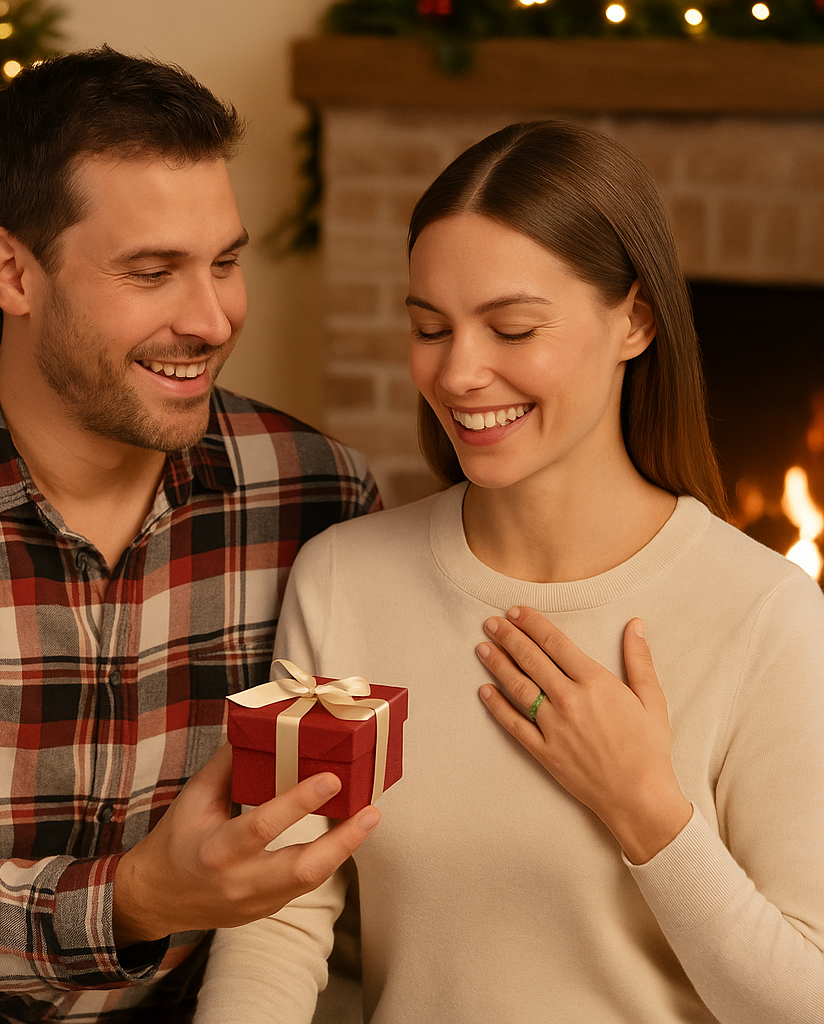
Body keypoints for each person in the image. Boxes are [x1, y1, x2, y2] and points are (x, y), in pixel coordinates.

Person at [194, 120, 824, 1023]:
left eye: (513, 327)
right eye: (429, 327)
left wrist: (650, 812)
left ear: (635, 321)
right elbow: (278, 920)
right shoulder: (344, 579)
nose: (459, 372)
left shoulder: (768, 615)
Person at [0, 47, 383, 1024]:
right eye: (153, 271)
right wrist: (128, 902)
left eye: (226, 262)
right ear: (11, 271)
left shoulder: (315, 494)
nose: (212, 317)